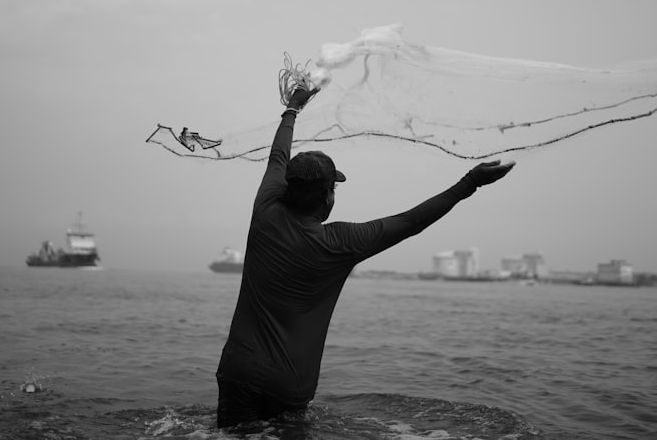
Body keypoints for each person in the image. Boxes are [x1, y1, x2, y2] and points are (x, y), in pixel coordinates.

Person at [215, 86, 515, 429]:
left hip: (238, 372)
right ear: (327, 198)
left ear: (287, 187)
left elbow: (277, 158)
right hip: (288, 385)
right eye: (334, 188)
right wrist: (470, 183)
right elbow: (410, 223)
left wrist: (292, 109)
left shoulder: (265, 209)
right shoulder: (340, 242)